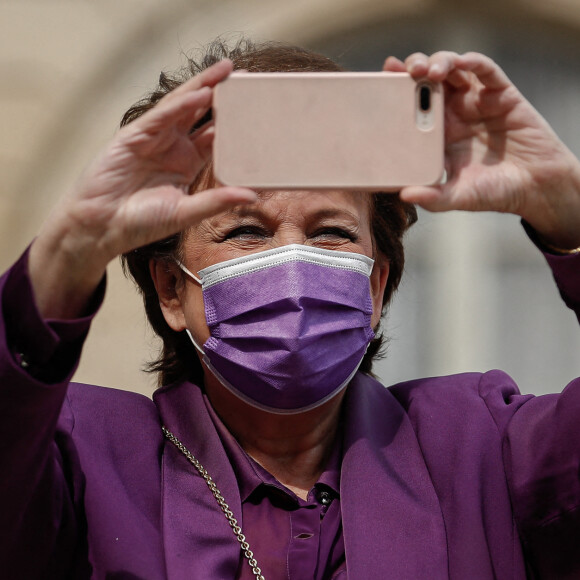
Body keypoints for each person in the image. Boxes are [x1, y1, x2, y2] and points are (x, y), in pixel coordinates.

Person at [1, 37, 580, 580]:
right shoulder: (84, 460)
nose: (293, 263)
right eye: (246, 230)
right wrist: (72, 247)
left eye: (331, 233)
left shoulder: (480, 451)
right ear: (171, 291)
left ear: (375, 289)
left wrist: (567, 208)